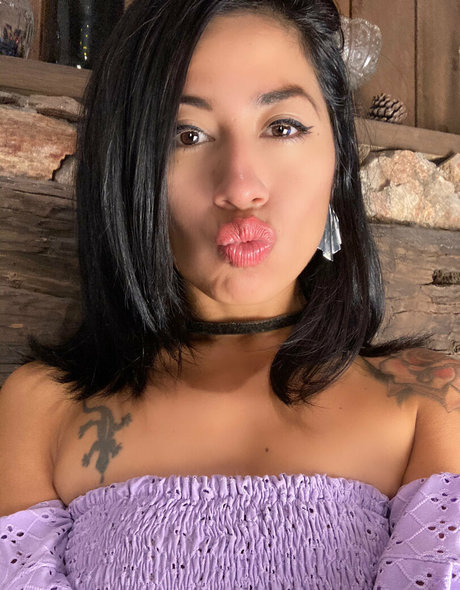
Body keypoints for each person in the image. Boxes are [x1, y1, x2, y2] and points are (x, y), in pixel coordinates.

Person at [1, 0, 459, 588]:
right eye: (186, 135)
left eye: (282, 127)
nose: (241, 187)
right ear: (129, 167)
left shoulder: (433, 403)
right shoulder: (43, 409)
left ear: (338, 157)